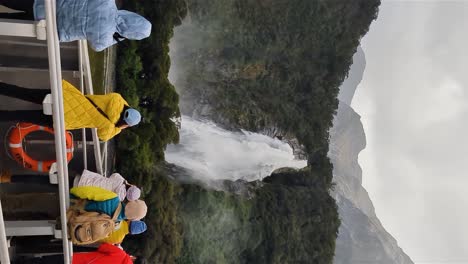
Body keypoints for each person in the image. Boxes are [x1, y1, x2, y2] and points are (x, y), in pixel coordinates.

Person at [0, 80, 141, 141]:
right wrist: (120, 128)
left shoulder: (116, 98)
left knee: (23, 92)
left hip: (65, 96)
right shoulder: (110, 126)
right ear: (126, 123)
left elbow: (121, 102)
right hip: (62, 117)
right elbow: (102, 136)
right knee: (20, 115)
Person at [0, 0, 152, 51]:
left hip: (47, 5)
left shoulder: (107, 2)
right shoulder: (105, 38)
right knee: (8, 20)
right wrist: (119, 38)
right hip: (48, 27)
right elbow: (97, 47)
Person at [75, 169, 142, 201]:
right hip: (83, 192)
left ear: (131, 186)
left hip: (85, 178)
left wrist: (126, 182)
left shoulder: (120, 180)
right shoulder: (118, 200)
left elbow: (114, 175)